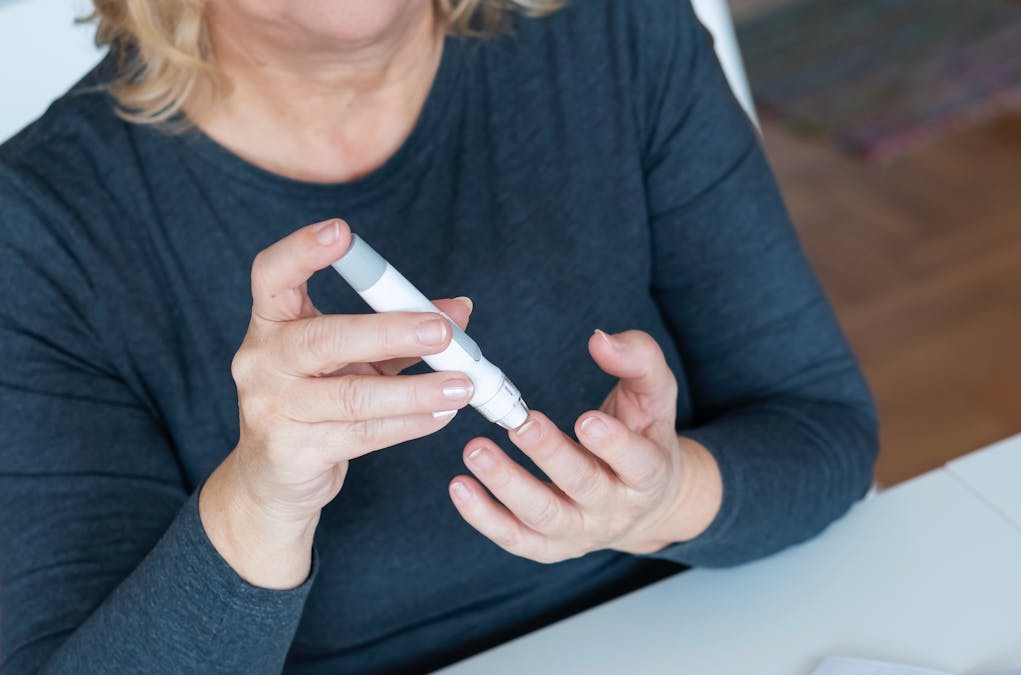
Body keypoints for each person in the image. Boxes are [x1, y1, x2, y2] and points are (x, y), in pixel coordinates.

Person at [0, 0, 879, 672]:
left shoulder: (617, 33)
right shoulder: (37, 228)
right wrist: (260, 502)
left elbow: (823, 433)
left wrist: (666, 500)